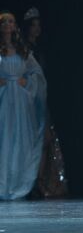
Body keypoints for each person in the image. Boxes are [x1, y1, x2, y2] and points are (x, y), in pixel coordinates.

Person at [21, 7, 68, 198]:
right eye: (33, 25)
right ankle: (30, 182)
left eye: (38, 25)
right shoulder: (23, 48)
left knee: (44, 140)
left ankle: (40, 182)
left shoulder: (39, 48)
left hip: (41, 99)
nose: (37, 29)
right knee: (31, 141)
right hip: (26, 99)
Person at [0, 11, 47, 200]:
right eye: (4, 22)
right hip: (3, 100)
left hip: (20, 101)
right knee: (4, 141)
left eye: (11, 22)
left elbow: (37, 73)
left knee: (20, 141)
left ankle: (19, 183)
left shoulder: (22, 50)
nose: (8, 25)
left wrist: (26, 83)